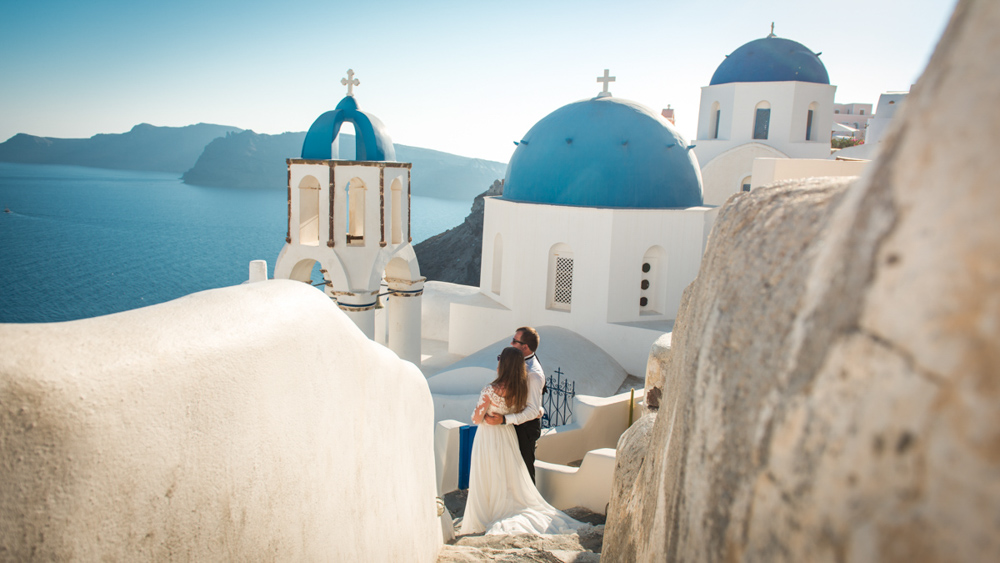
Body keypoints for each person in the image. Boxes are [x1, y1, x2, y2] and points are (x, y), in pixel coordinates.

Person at [459, 347, 583, 536]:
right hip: (508, 435)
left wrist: (487, 418)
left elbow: (475, 419)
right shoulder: (521, 390)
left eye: (500, 358)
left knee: (488, 475)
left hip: (488, 437)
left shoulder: (490, 390)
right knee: (507, 476)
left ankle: (486, 517)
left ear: (504, 364)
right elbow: (533, 410)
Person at [484, 327, 544, 482]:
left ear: (525, 347)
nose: (511, 343)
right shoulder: (516, 363)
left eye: (515, 341)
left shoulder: (533, 374)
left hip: (525, 429)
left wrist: (504, 420)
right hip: (511, 427)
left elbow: (532, 410)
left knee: (524, 475)